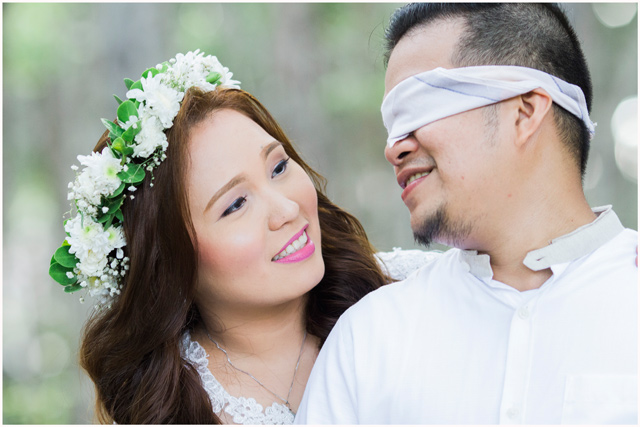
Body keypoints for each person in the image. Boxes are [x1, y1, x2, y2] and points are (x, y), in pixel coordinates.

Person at [48, 51, 434, 424]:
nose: (287, 209)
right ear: (169, 260)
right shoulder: (170, 411)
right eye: (235, 205)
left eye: (278, 167)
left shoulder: (417, 290)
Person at [296, 3, 637, 424]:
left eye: (419, 107)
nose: (393, 148)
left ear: (525, 111)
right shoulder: (368, 339)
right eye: (391, 124)